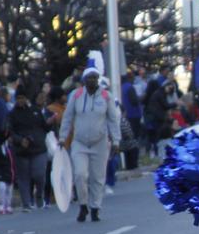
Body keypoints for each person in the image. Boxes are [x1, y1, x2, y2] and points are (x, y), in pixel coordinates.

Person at [60, 68, 120, 223]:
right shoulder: (76, 95)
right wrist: (62, 137)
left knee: (97, 178)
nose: (91, 81)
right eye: (88, 78)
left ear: (98, 79)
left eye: (94, 78)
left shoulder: (106, 96)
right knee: (80, 174)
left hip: (99, 142)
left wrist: (116, 141)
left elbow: (113, 120)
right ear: (84, 80)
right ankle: (83, 205)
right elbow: (67, 117)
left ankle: (95, 208)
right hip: (79, 142)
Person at [8, 92, 50, 211]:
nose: (20, 100)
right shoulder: (12, 114)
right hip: (21, 149)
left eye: (22, 97)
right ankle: (26, 203)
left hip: (38, 148)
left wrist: (50, 123)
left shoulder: (35, 111)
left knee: (39, 174)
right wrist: (20, 140)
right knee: (23, 177)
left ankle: (39, 195)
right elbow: (10, 131)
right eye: (18, 98)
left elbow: (44, 127)